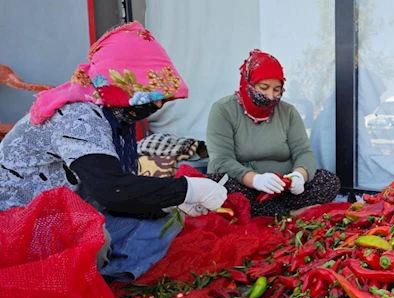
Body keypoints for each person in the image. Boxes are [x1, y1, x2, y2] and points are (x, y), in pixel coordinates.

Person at [0, 22, 228, 282]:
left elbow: (114, 191)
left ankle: (109, 280)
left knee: (166, 221)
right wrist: (186, 189)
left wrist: (172, 201)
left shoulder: (113, 114)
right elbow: (112, 190)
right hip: (18, 225)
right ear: (123, 82)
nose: (159, 104)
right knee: (95, 236)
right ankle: (72, 284)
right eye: (151, 94)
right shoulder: (78, 115)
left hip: (75, 210)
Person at [206, 50, 340, 217]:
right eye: (264, 88)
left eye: (277, 89)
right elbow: (221, 160)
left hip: (283, 188)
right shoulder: (223, 110)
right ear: (248, 83)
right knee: (221, 189)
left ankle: (273, 211)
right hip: (243, 185)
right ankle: (288, 213)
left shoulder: (288, 112)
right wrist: (256, 180)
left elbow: (303, 152)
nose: (271, 96)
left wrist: (299, 175)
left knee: (328, 181)